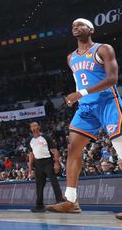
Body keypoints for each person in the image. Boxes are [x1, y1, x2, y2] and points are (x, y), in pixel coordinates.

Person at [47, 18, 121, 217]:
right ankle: (71, 201)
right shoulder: (71, 57)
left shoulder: (103, 49)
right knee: (73, 149)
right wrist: (79, 97)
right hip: (86, 108)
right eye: (73, 26)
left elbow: (112, 79)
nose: (76, 28)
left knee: (121, 148)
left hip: (107, 103)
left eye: (80, 25)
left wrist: (80, 93)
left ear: (91, 29)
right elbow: (80, 81)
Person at [28, 121, 64, 212]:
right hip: (38, 164)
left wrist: (56, 163)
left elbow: (55, 150)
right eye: (32, 126)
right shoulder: (30, 140)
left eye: (35, 125)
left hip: (48, 162)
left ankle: (60, 202)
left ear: (39, 127)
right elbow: (31, 155)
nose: (34, 127)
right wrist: (30, 169)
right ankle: (39, 206)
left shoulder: (45, 137)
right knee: (39, 185)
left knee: (54, 182)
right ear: (30, 129)